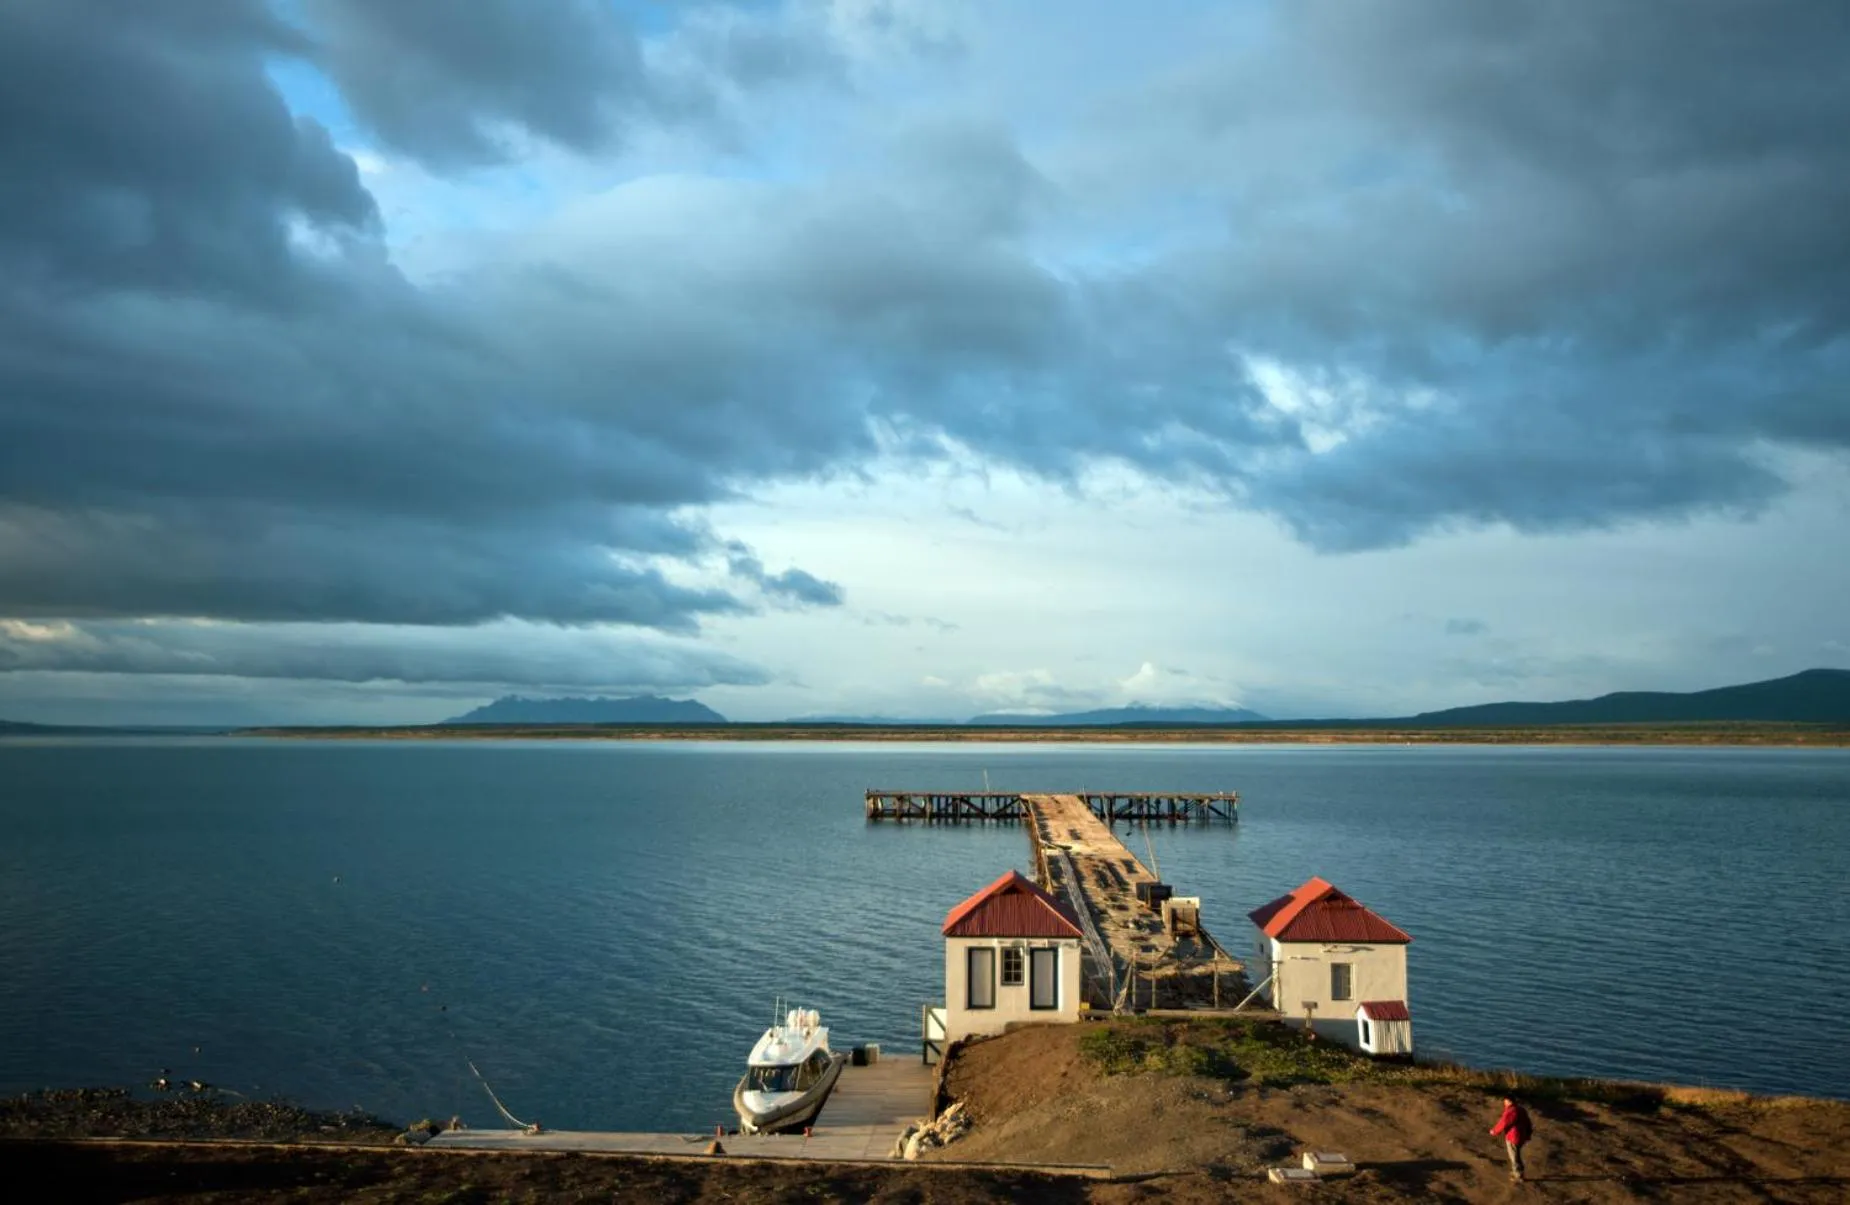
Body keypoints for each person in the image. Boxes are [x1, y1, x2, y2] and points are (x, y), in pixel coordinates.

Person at [1490, 1096, 1534, 1182]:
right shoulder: (1521, 1109)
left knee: (1514, 1156)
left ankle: (1518, 1175)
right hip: (1522, 1136)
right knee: (1516, 1154)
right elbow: (1528, 1123)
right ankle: (1517, 1171)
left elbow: (1504, 1122)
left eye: (1505, 1101)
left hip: (1513, 1136)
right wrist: (1528, 1134)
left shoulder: (1511, 1111)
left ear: (1509, 1101)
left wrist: (1494, 1131)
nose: (1504, 1103)